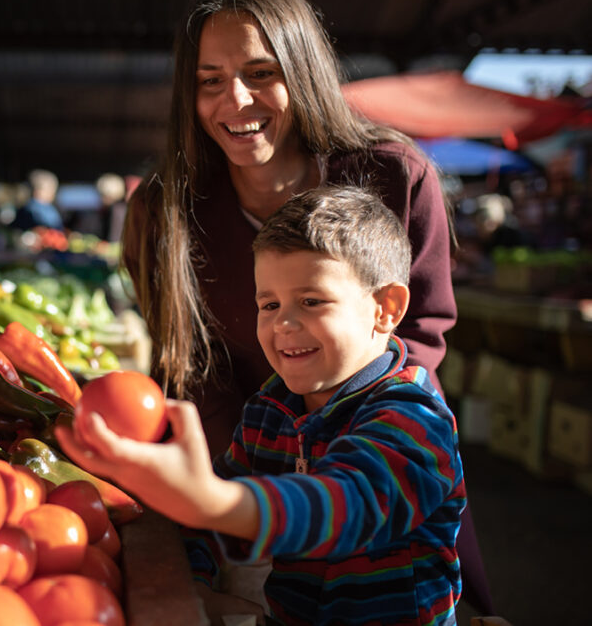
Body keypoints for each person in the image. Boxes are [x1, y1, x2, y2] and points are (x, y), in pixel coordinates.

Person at [119, 0, 491, 613]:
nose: (234, 101)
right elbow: (191, 368)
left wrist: (234, 500)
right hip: (250, 500)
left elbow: (422, 340)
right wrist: (206, 539)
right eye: (209, 80)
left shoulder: (397, 175)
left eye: (261, 73)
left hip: (377, 478)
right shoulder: (166, 212)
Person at [60, 186, 466, 625]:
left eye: (311, 301)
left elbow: (349, 506)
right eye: (268, 304)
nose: (283, 324)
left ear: (386, 309)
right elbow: (210, 521)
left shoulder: (414, 417)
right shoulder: (269, 410)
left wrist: (213, 500)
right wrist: (195, 581)